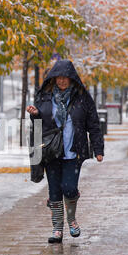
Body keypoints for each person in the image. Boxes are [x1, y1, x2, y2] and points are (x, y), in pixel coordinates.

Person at [27, 59, 104, 243]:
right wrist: (35, 115)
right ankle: (57, 229)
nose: (61, 81)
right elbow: (39, 127)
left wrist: (98, 148)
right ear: (53, 79)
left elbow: (93, 124)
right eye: (58, 77)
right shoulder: (44, 97)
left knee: (69, 188)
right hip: (51, 152)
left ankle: (71, 219)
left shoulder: (82, 98)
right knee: (54, 191)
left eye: (65, 78)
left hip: (73, 151)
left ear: (71, 79)